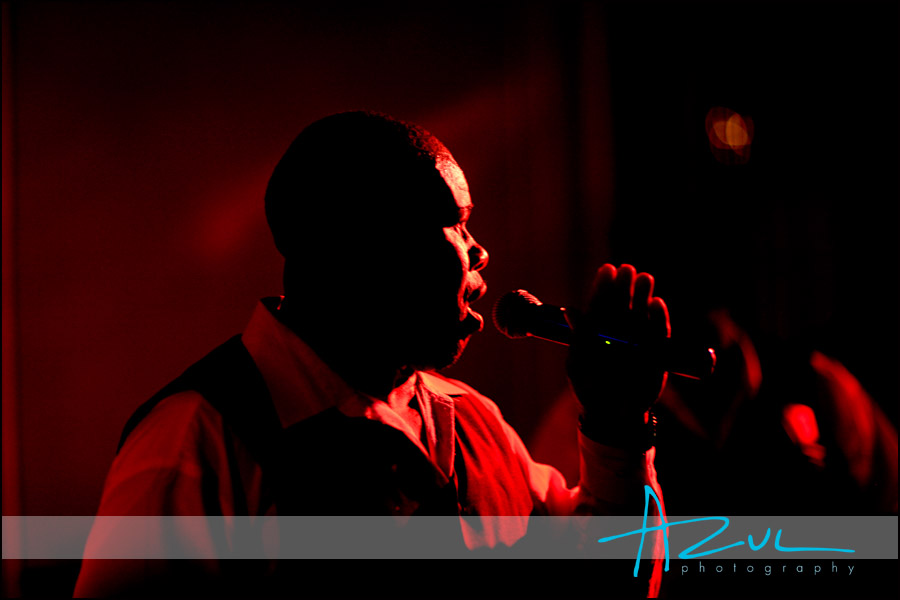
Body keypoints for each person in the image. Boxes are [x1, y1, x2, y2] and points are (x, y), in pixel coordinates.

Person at [74, 111, 671, 597]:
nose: (480, 252)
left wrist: (618, 432)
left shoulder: (474, 420)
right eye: (457, 224)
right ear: (361, 248)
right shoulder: (196, 441)